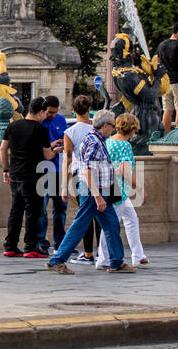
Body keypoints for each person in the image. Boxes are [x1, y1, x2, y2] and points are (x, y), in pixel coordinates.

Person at [45, 111, 133, 273]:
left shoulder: (97, 139)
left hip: (97, 190)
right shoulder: (94, 142)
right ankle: (57, 260)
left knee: (112, 224)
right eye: (112, 126)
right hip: (93, 190)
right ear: (105, 125)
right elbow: (87, 170)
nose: (113, 129)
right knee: (80, 224)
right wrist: (98, 196)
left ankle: (116, 262)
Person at [1, 96, 54, 258]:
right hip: (33, 176)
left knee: (15, 211)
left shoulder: (13, 126)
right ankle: (30, 246)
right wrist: (56, 150)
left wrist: (6, 169)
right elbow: (48, 155)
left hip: (15, 174)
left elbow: (3, 149)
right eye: (45, 113)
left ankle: (10, 245)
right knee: (33, 211)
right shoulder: (41, 130)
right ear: (40, 112)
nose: (46, 116)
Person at [96, 113, 147, 267]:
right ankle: (103, 259)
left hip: (111, 187)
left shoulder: (109, 141)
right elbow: (125, 171)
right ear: (132, 130)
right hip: (118, 190)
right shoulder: (125, 145)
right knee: (111, 225)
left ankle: (138, 255)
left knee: (131, 219)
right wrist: (139, 188)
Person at [63, 109, 111, 263]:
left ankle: (89, 253)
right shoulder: (96, 135)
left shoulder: (70, 131)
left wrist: (64, 185)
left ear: (75, 110)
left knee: (84, 219)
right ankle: (104, 255)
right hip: (96, 181)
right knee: (97, 220)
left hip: (83, 179)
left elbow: (68, 159)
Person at [35, 96, 80, 252]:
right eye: (49, 112)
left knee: (60, 208)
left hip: (59, 169)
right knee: (41, 208)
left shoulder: (61, 120)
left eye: (54, 113)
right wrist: (51, 145)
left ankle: (60, 242)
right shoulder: (39, 121)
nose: (52, 115)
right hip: (43, 168)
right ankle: (41, 242)